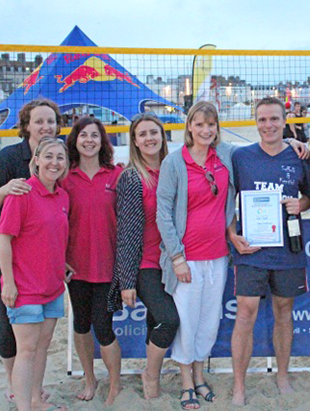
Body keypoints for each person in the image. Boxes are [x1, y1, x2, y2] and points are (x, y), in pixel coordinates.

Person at [229, 97, 310, 406]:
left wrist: (300, 204)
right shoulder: (240, 157)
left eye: (274, 119)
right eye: (263, 120)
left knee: (283, 311)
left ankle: (282, 376)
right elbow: (226, 201)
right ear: (255, 122)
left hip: (287, 248)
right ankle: (239, 386)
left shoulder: (299, 156)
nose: (269, 125)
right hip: (251, 249)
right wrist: (232, 234)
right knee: (246, 313)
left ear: (284, 120)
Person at [0, 99, 62, 406]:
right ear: (26, 124)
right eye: (39, 121)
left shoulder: (56, 158)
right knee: (9, 319)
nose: (46, 127)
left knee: (38, 333)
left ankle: (29, 390)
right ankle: (15, 387)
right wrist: (7, 188)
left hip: (39, 253)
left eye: (51, 122)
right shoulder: (9, 157)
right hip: (3, 249)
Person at [156, 101, 235, 409]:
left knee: (208, 321)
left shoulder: (225, 155)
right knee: (186, 322)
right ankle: (186, 380)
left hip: (218, 255)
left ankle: (200, 376)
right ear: (189, 126)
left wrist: (294, 140)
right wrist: (176, 257)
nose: (206, 130)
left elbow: (260, 149)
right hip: (186, 257)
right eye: (200, 124)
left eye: (211, 125)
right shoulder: (175, 162)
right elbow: (163, 212)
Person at [107, 114, 180, 400]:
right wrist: (127, 280)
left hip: (173, 261)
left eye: (154, 132)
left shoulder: (174, 169)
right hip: (146, 263)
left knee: (155, 320)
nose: (149, 138)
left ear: (163, 136)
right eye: (142, 134)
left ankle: (153, 373)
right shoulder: (132, 177)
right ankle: (150, 374)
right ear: (134, 141)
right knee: (168, 320)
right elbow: (126, 232)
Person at [0, 137, 70, 411]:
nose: (54, 162)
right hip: (24, 288)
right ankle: (24, 407)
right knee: (26, 350)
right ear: (36, 159)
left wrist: (62, 263)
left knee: (42, 346)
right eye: (48, 156)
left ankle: (37, 400)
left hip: (52, 286)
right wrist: (9, 283)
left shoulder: (62, 195)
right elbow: (3, 239)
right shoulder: (22, 193)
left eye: (60, 157)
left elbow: (53, 237)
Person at [62, 117, 123, 405]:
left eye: (94, 135)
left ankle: (114, 385)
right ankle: (90, 378)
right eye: (83, 135)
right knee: (81, 325)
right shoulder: (64, 177)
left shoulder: (116, 175)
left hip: (108, 265)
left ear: (102, 141)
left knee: (104, 326)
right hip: (76, 267)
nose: (89, 140)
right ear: (74, 140)